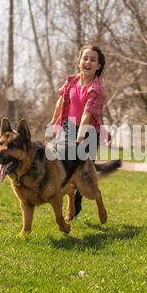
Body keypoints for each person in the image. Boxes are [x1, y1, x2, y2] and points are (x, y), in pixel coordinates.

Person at [47, 45, 107, 218]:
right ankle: (70, 203)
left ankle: (78, 203)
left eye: (93, 60)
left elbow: (86, 116)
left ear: (98, 66)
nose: (88, 62)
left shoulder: (96, 89)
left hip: (88, 132)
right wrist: (52, 123)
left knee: (84, 173)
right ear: (79, 61)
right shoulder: (71, 81)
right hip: (67, 126)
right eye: (85, 58)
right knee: (64, 168)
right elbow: (61, 102)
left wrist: (79, 139)